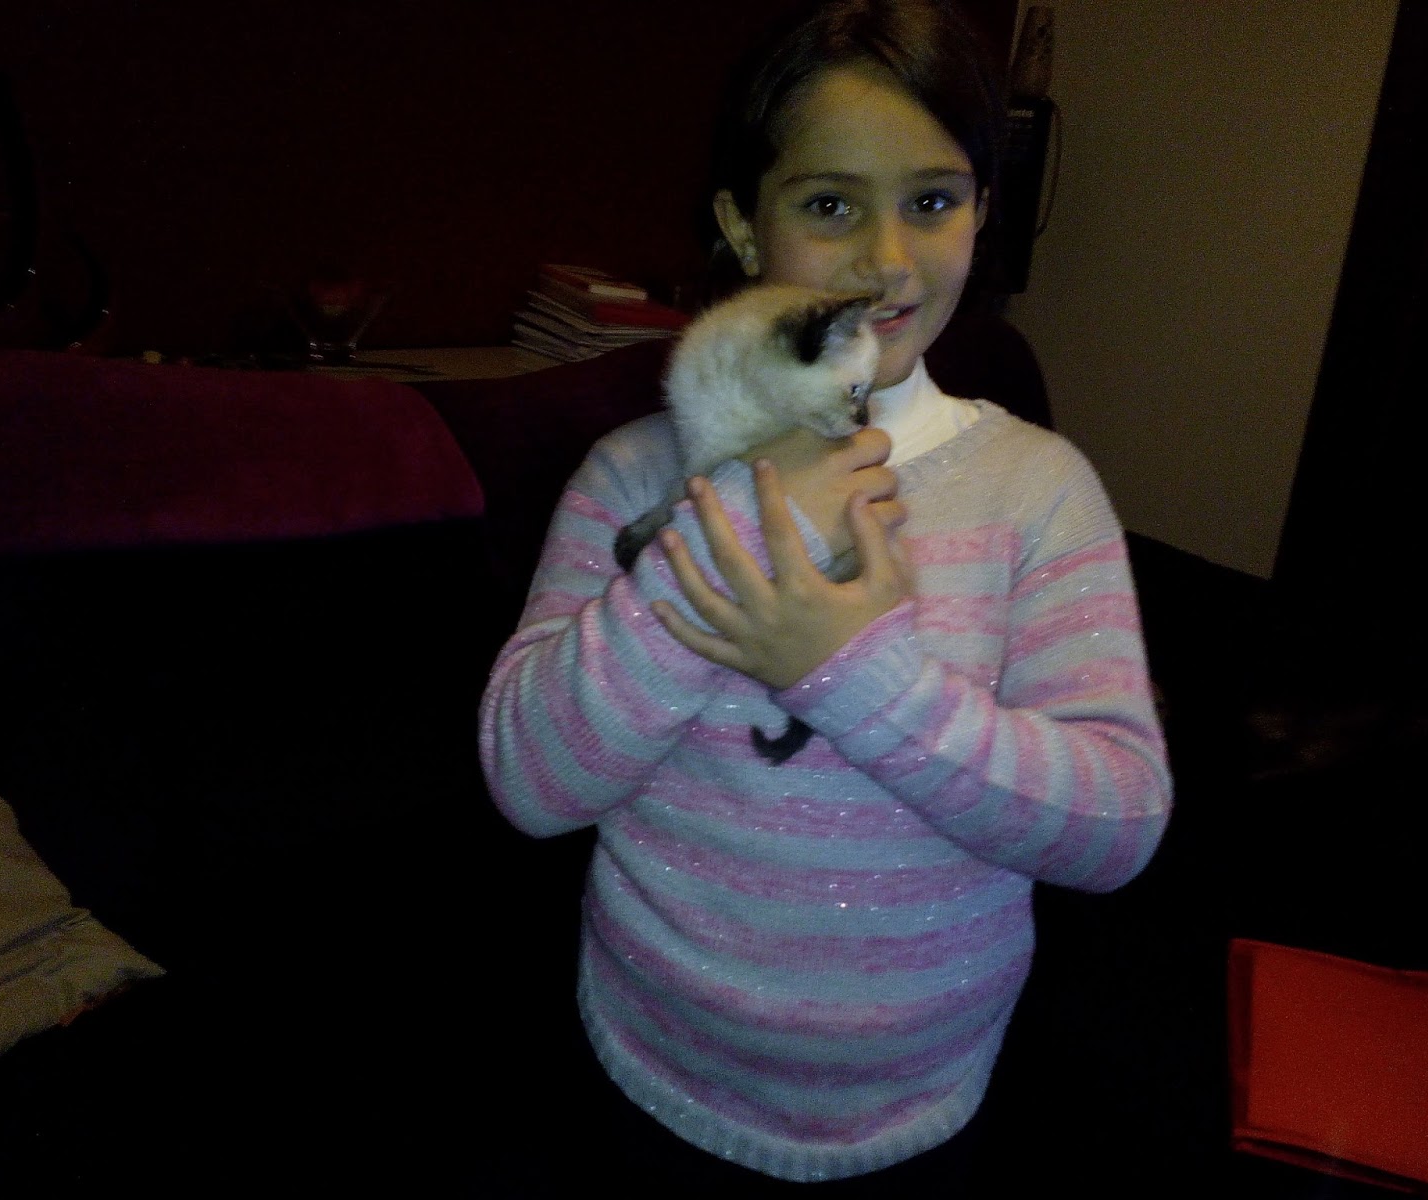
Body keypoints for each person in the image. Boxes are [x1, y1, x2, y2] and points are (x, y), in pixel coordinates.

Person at [477, 0, 1172, 1186]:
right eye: (831, 206)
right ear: (743, 228)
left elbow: (1114, 828)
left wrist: (848, 672)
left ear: (982, 210)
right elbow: (531, 785)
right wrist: (740, 524)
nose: (887, 260)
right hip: (649, 1065)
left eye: (932, 201)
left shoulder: (1037, 491)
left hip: (931, 1093)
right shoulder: (631, 478)